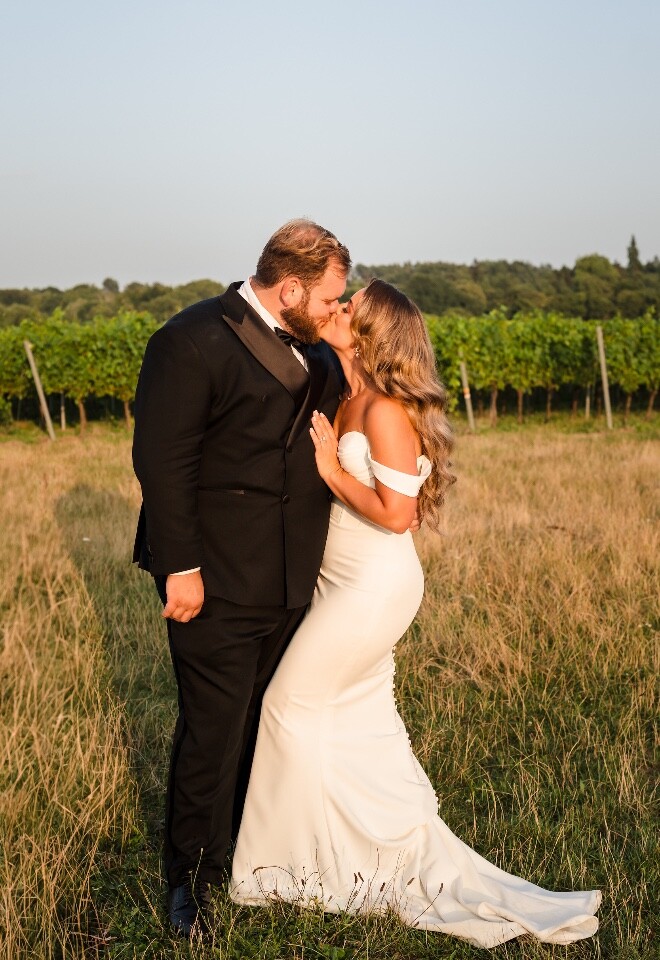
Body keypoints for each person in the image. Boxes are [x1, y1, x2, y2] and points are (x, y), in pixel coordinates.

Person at [230, 279, 601, 948]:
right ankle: (345, 852)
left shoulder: (385, 410)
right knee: (353, 718)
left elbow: (398, 516)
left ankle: (278, 873)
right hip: (339, 580)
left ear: (373, 333)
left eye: (349, 307)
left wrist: (330, 470)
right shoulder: (344, 393)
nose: (336, 310)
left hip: (373, 587)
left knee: (288, 705)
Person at [132, 219, 351, 936]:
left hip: (293, 576)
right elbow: (164, 465)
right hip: (215, 578)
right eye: (326, 300)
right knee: (213, 732)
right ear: (289, 288)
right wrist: (181, 568)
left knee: (267, 723)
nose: (333, 313)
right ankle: (189, 882)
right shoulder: (189, 340)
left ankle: (251, 854)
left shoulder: (319, 351)